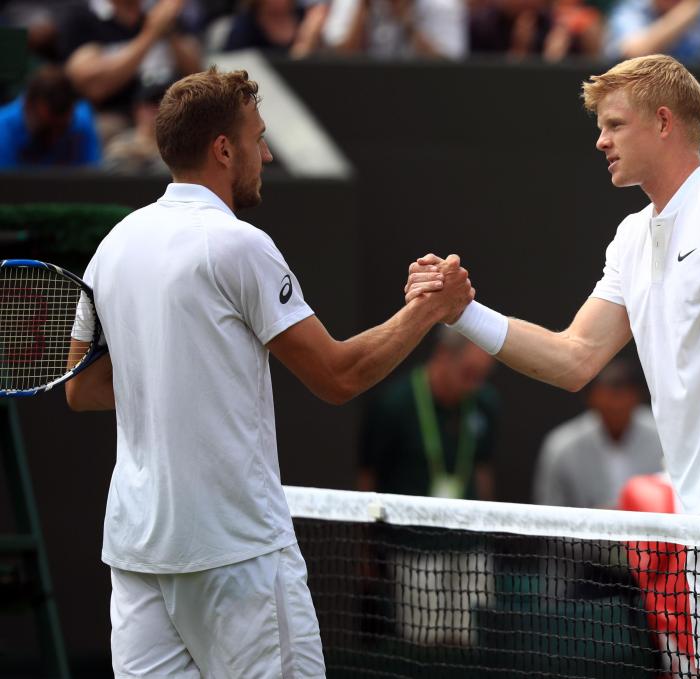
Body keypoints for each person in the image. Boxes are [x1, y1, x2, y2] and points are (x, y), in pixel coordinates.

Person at [407, 55, 700, 677]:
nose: (600, 140)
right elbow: (574, 358)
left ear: (663, 122)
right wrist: (464, 312)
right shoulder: (632, 238)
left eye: (614, 124)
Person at [64, 66, 473, 676]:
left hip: (138, 554)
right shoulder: (240, 244)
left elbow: (82, 389)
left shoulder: (113, 246)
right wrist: (427, 310)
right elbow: (338, 376)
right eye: (258, 137)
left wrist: (178, 371)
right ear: (223, 149)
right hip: (237, 555)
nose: (268, 151)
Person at [358, 326, 498, 500]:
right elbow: (368, 474)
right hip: (402, 523)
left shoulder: (484, 403)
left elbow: (482, 469)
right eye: (468, 374)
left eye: (481, 377)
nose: (474, 386)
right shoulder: (395, 404)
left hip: (462, 523)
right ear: (443, 353)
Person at [61, 0, 203, 141]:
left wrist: (170, 30)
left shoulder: (162, 11)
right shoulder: (84, 16)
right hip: (118, 116)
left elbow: (197, 75)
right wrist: (150, 34)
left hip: (174, 112)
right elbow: (92, 86)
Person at [532, 358, 663, 508]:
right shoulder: (562, 446)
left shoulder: (663, 439)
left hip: (654, 529)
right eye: (609, 395)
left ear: (637, 396)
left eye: (621, 393)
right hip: (581, 529)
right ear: (591, 398)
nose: (616, 404)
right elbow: (549, 509)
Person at [0, 64, 101, 168]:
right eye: (46, 130)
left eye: (63, 129)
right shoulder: (2, 132)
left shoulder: (80, 122)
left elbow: (92, 178)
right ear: (27, 106)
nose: (55, 139)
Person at [603, 0, 700, 65]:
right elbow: (634, 54)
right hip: (643, 99)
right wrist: (689, 9)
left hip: (696, 100)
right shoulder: (632, 10)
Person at [102, 81, 168, 174]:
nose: (157, 110)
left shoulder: (175, 147)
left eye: (163, 103)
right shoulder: (120, 144)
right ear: (137, 109)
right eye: (152, 104)